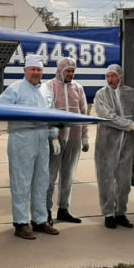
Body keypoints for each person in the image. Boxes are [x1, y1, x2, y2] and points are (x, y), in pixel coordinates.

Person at [0, 54, 60, 240]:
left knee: (42, 181)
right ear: (25, 70)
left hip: (42, 142)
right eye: (33, 69)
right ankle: (21, 223)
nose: (36, 73)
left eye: (39, 69)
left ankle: (40, 220)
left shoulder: (47, 91)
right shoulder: (14, 90)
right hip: (22, 141)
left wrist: (54, 135)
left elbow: (52, 114)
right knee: (21, 182)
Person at [92, 64, 134, 229]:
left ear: (121, 76)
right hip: (107, 144)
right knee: (106, 179)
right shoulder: (101, 95)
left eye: (114, 76)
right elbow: (108, 117)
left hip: (127, 144)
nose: (111, 80)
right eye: (108, 77)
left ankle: (120, 213)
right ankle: (108, 214)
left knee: (124, 180)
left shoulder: (132, 94)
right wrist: (132, 125)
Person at [41, 57, 89, 223]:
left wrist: (85, 137)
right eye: (68, 71)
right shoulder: (49, 86)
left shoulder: (78, 88)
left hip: (74, 137)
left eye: (73, 71)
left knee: (68, 175)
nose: (70, 74)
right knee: (51, 175)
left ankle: (63, 209)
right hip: (56, 139)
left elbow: (83, 113)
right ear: (60, 70)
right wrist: (52, 135)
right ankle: (45, 211)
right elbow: (46, 113)